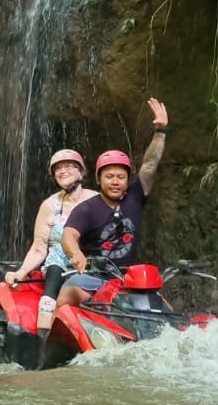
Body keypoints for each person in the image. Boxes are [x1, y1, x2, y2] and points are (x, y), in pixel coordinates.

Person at [58, 97, 169, 307]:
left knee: (164, 310)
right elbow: (68, 236)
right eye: (109, 177)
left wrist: (161, 132)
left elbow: (150, 164)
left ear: (128, 180)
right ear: (99, 180)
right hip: (92, 277)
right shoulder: (87, 208)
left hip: (129, 280)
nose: (116, 182)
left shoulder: (135, 197)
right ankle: (54, 339)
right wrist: (77, 255)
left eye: (121, 177)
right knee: (68, 295)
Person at [4, 148, 96, 340]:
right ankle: (43, 343)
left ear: (81, 171)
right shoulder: (49, 205)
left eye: (69, 166)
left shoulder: (97, 200)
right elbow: (39, 247)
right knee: (49, 296)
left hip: (93, 262)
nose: (63, 171)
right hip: (59, 263)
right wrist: (20, 272)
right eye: (58, 169)